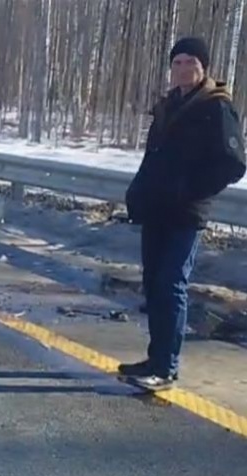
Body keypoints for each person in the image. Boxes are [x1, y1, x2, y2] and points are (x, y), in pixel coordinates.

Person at [120, 37, 246, 391]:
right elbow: (153, 159)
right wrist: (137, 193)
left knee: (171, 284)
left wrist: (188, 191)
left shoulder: (216, 107)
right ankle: (155, 357)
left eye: (191, 62)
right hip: (157, 209)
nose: (183, 69)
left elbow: (233, 164)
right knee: (154, 285)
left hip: (186, 213)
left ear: (204, 68)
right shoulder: (167, 106)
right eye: (177, 62)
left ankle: (166, 368)